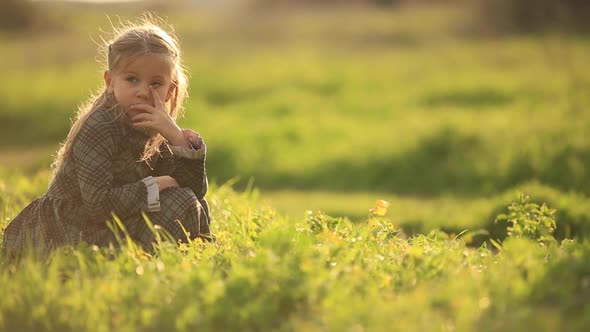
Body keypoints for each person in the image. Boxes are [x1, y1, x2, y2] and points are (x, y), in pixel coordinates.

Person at [2, 16, 212, 258]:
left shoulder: (158, 129)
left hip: (117, 221)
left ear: (170, 90)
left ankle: (185, 261)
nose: (143, 91)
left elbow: (195, 191)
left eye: (156, 83)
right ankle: (153, 264)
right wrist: (157, 184)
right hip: (74, 231)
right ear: (110, 81)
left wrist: (177, 138)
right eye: (132, 79)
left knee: (190, 201)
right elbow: (98, 206)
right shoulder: (100, 127)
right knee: (180, 200)